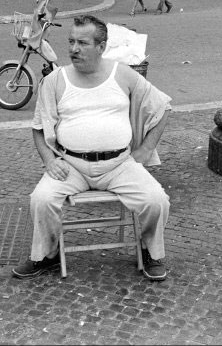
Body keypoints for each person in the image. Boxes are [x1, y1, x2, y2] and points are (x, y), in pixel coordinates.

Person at [12, 15, 172, 281]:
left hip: (119, 165)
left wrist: (145, 150)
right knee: (41, 200)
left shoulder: (123, 74)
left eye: (82, 43)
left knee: (156, 200)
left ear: (101, 46)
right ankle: (49, 255)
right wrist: (50, 161)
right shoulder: (55, 80)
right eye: (71, 41)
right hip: (71, 165)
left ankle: (149, 251)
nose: (74, 49)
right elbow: (39, 128)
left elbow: (162, 106)